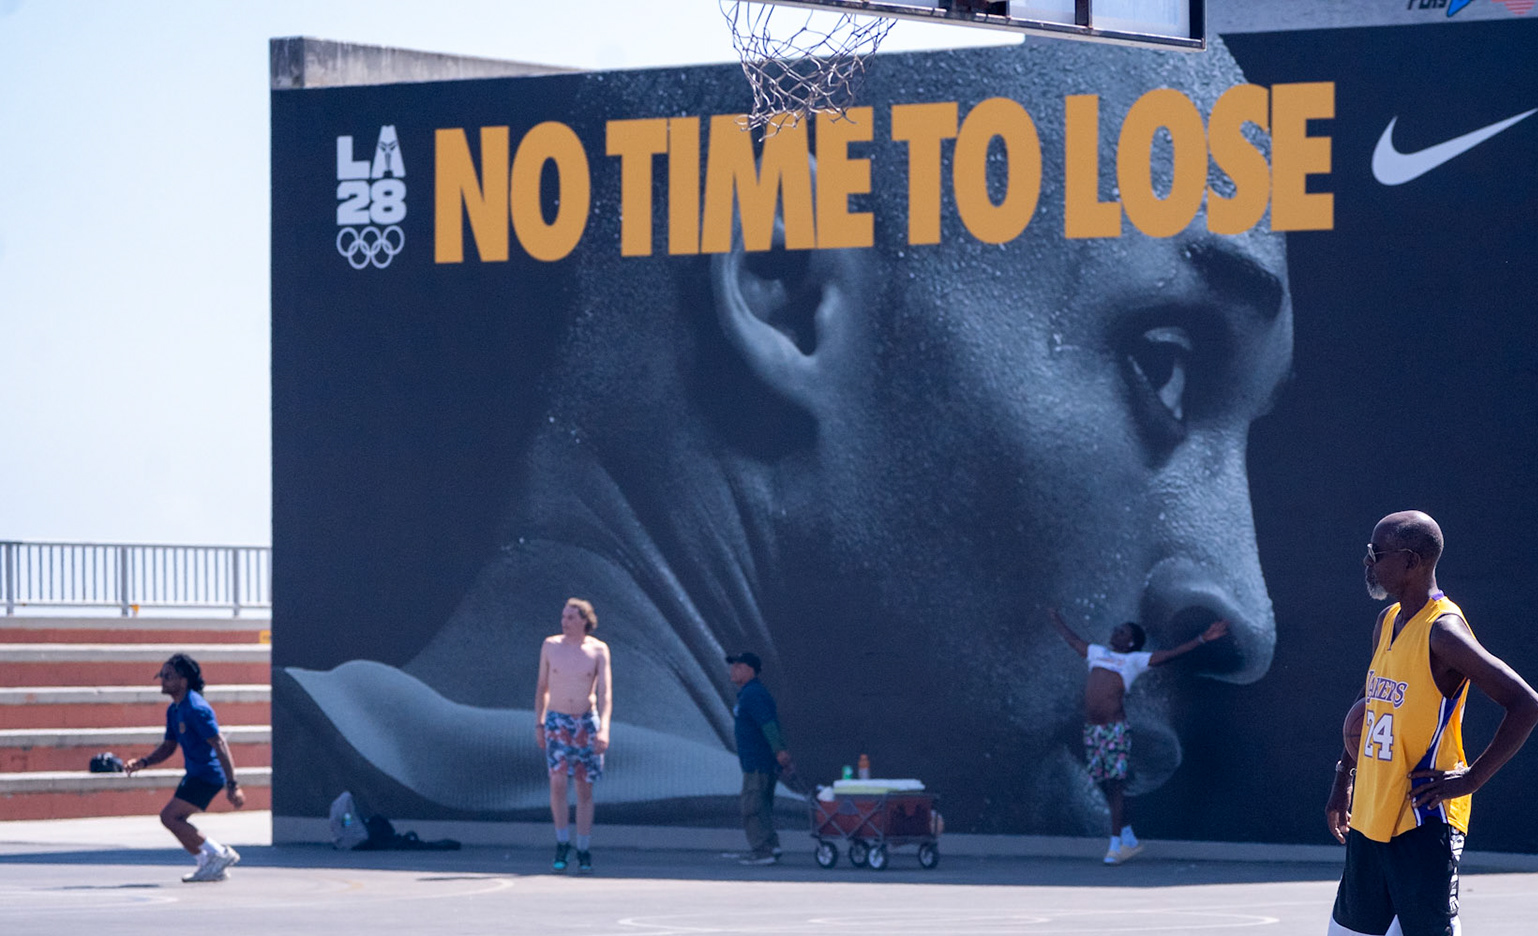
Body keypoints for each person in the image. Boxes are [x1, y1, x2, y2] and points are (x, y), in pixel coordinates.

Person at [277, 39, 1287, 839]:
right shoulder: (790, 877)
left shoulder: (311, 774)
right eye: (1165, 365)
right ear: (787, 280)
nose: (1247, 614)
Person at [1323, 511, 1538, 936]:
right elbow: (1370, 706)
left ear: (1414, 560)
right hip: (1376, 812)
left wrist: (1470, 778)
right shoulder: (1389, 620)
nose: (1370, 562)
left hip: (1424, 821)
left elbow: (1526, 703)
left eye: (1379, 552)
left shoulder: (1443, 631)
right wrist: (1342, 775)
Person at [1049, 609, 1230, 863]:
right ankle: (1127, 835)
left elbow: (1169, 655)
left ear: (1131, 642)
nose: (1116, 632)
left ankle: (1116, 846)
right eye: (1117, 629)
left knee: (1115, 785)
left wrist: (1202, 639)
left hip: (1114, 729)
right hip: (1093, 730)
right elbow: (1073, 640)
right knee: (1103, 782)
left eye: (1122, 631)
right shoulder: (1097, 653)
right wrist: (1056, 618)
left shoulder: (1133, 661)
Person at [125, 653, 247, 883]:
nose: (162, 680)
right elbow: (168, 747)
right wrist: (143, 762)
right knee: (172, 819)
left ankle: (219, 853)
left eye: (168, 676)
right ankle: (207, 863)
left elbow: (220, 743)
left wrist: (233, 784)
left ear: (183, 681)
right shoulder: (174, 710)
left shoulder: (196, 708)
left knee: (170, 817)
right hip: (195, 774)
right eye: (161, 675)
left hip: (207, 774)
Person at [535, 598, 612, 873]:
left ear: (584, 621)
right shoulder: (550, 645)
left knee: (583, 787)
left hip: (585, 722)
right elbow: (542, 687)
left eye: (570, 617)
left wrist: (603, 728)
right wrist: (540, 724)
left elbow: (605, 693)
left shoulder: (598, 650)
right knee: (557, 782)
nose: (564, 622)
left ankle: (583, 847)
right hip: (557, 720)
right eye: (563, 617)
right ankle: (562, 842)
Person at [727, 652, 792, 867]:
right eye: (733, 666)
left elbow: (768, 724)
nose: (733, 670)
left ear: (750, 670)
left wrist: (779, 751)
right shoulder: (751, 693)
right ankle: (771, 845)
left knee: (752, 807)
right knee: (762, 805)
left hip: (758, 763)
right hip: (759, 762)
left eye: (738, 666)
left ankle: (763, 851)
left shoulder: (753, 694)